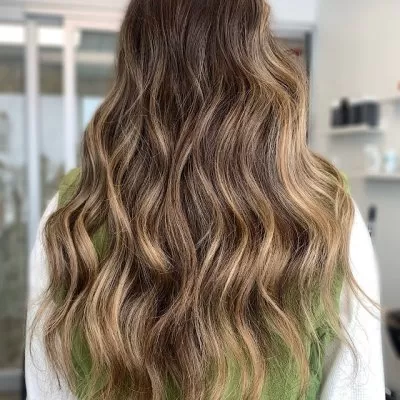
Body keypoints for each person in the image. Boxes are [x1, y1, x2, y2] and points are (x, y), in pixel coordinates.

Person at [25, 0, 385, 399]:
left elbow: (49, 388)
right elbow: (356, 390)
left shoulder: (74, 211)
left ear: (134, 64)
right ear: (258, 59)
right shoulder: (324, 209)